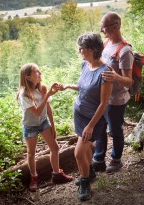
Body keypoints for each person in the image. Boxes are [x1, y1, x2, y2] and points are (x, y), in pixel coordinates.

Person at [58, 32, 113, 201]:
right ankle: (90, 173)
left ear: (91, 49)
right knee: (87, 147)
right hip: (80, 114)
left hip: (93, 119)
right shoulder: (85, 65)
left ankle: (84, 182)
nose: (79, 51)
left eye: (81, 48)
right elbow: (84, 87)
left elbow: (103, 103)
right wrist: (67, 86)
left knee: (78, 153)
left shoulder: (105, 72)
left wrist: (90, 125)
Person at [17, 63, 73, 192]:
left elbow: (48, 109)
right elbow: (36, 112)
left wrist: (53, 126)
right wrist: (47, 95)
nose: (40, 73)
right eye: (37, 72)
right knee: (31, 153)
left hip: (43, 123)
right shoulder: (24, 94)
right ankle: (34, 177)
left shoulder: (41, 89)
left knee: (55, 147)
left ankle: (57, 175)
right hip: (30, 126)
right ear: (28, 77)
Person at [92, 12, 134, 174]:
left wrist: (115, 76)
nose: (102, 31)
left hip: (116, 99)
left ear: (115, 27)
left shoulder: (125, 51)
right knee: (100, 128)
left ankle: (116, 160)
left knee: (115, 130)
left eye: (104, 28)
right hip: (102, 97)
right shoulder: (106, 43)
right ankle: (99, 159)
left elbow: (128, 81)